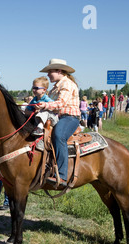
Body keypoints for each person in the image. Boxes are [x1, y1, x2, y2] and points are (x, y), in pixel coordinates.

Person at [36, 58, 80, 188]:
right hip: (57, 117)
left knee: (58, 135)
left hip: (69, 117)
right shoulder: (55, 87)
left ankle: (62, 175)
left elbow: (61, 103)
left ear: (59, 71)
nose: (48, 75)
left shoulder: (66, 84)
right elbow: (53, 105)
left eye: (50, 72)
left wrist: (45, 105)